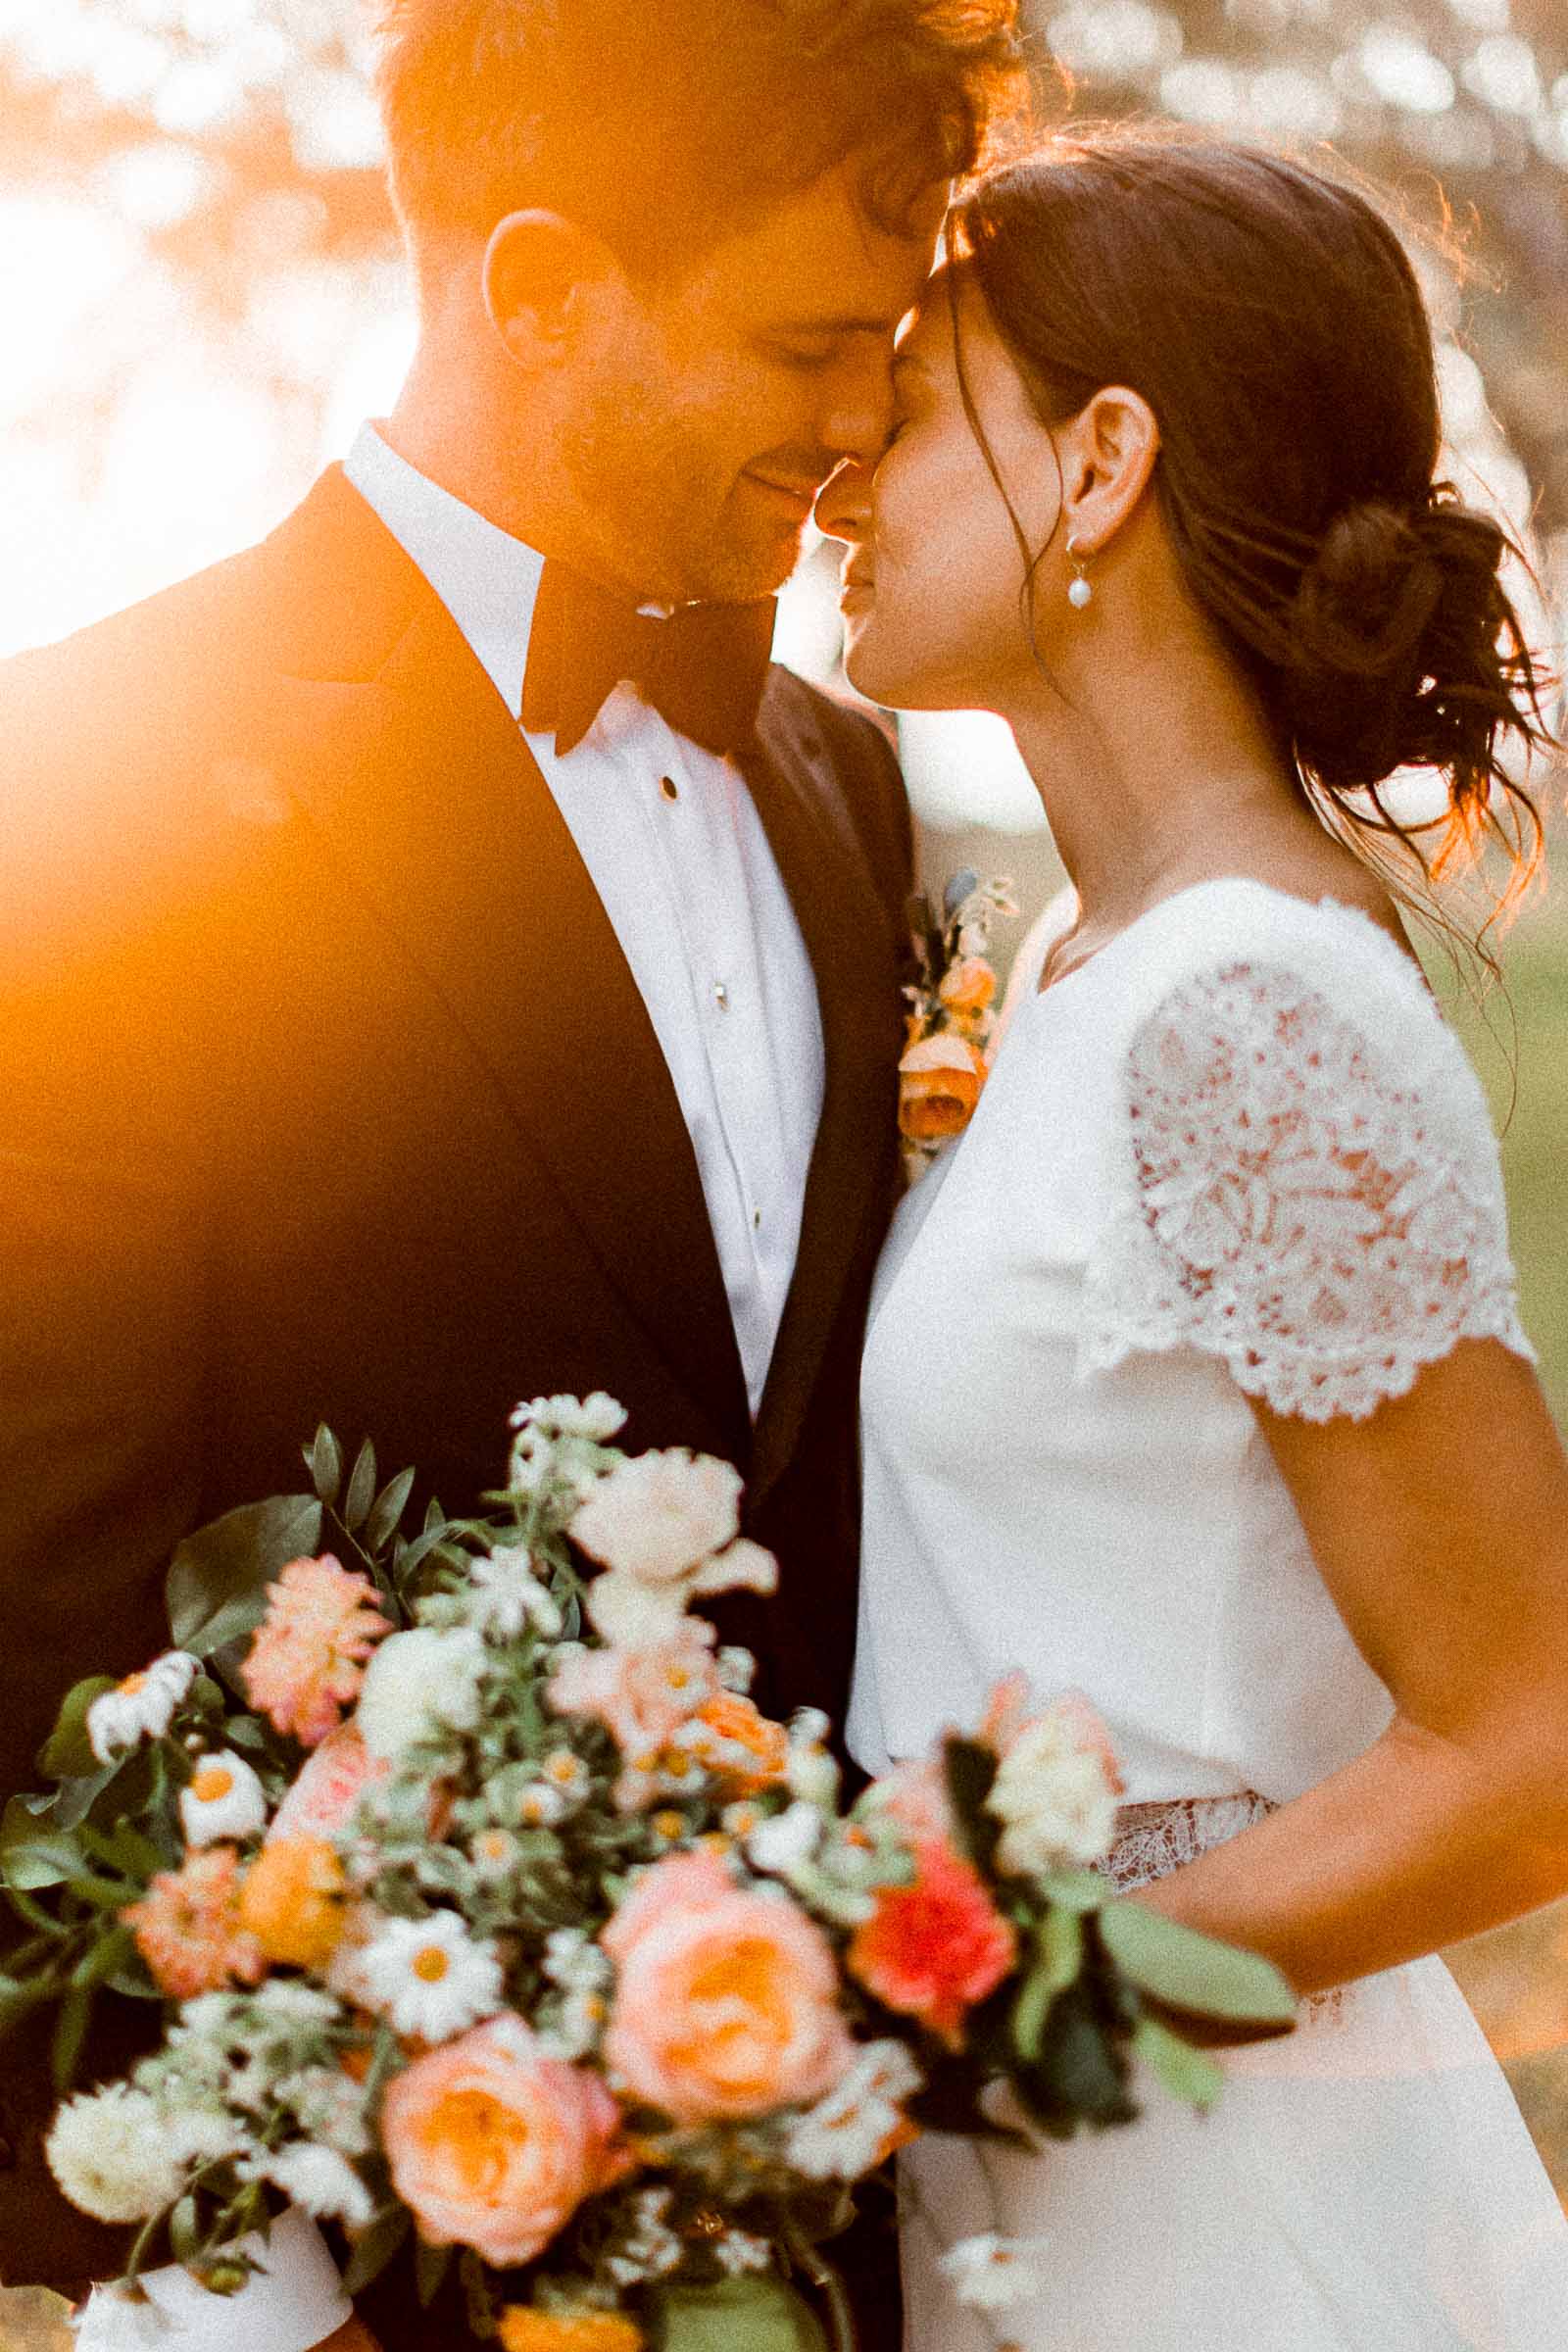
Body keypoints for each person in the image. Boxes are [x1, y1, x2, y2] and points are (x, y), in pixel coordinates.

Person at [0, 3, 1024, 2346]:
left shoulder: (840, 788)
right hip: (307, 2234)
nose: (866, 432)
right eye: (811, 345)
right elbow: (32, 1571)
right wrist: (219, 2240)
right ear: (543, 285)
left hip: (832, 2185)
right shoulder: (87, 775)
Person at [820, 129, 1568, 2347]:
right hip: (1032, 2189)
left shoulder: (1247, 1006)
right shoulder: (1078, 959)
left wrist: (984, 2004)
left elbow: (1525, 1741)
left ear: (1096, 463)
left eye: (904, 413)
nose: (838, 485)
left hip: (1233, 2225)